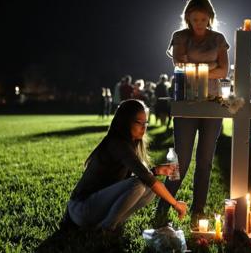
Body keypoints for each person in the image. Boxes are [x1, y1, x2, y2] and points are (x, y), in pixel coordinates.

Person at [155, 0, 229, 228]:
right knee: (181, 161)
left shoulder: (219, 39)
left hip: (212, 103)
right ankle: (164, 206)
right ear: (187, 18)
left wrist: (195, 67)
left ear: (210, 18)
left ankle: (198, 210)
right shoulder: (180, 37)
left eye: (202, 18)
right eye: (194, 19)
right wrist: (210, 67)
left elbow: (224, 70)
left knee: (205, 161)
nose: (198, 23)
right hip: (186, 102)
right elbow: (179, 65)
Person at [62, 99, 187, 231]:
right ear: (125, 121)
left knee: (148, 188)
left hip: (96, 207)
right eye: (139, 123)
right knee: (142, 184)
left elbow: (131, 180)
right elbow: (144, 180)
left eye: (146, 123)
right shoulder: (117, 143)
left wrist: (156, 170)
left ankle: (112, 223)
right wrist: (175, 204)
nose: (144, 127)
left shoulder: (130, 143)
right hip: (82, 208)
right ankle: (106, 228)